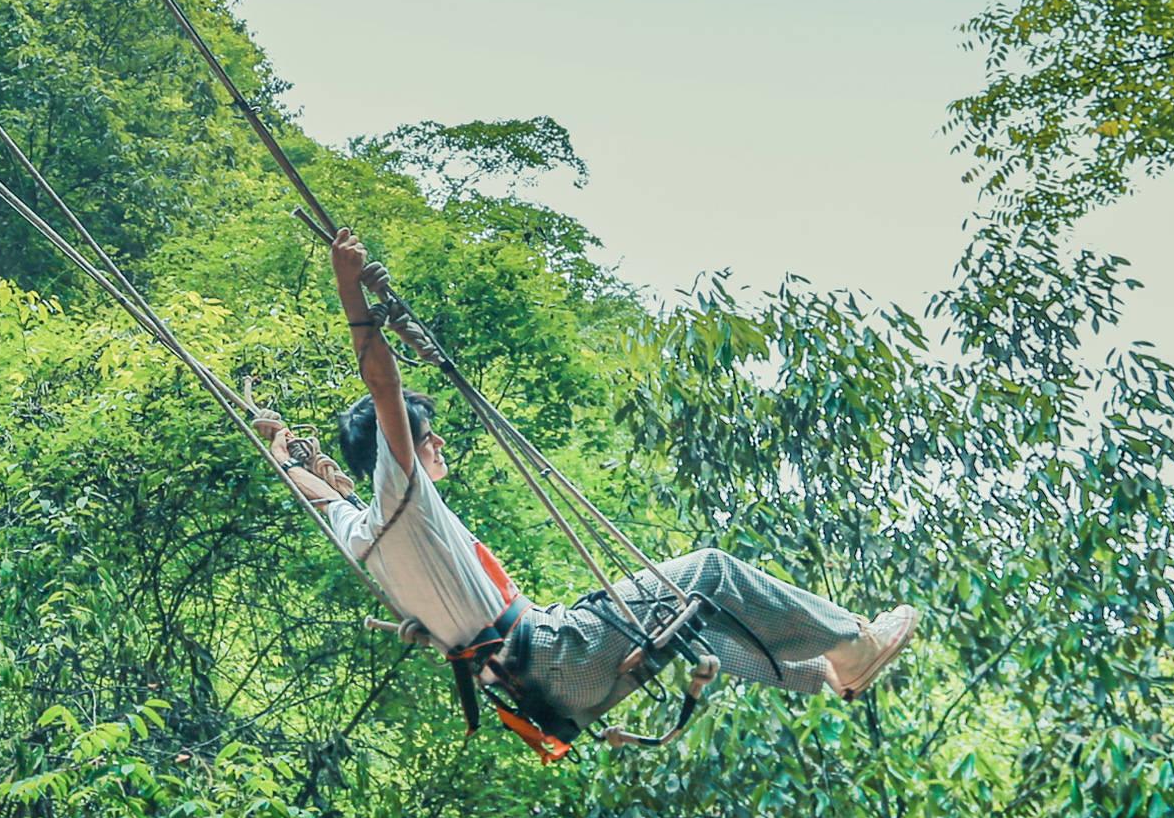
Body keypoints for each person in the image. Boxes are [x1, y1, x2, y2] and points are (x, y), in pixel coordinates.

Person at [268, 227, 918, 754]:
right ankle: (853, 645)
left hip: (541, 691)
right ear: (397, 452)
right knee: (711, 572)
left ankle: (822, 673)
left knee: (695, 622)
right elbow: (382, 384)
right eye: (425, 437)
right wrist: (348, 288)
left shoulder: (363, 533)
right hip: (553, 653)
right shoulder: (402, 497)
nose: (436, 444)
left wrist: (278, 449)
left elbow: (320, 496)